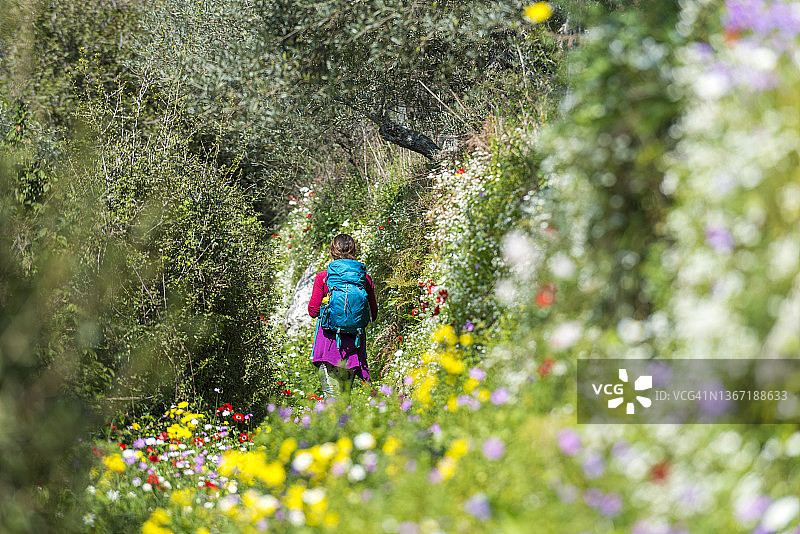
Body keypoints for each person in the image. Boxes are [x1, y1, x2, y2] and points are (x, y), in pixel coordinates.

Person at [308, 234, 378, 399]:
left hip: (328, 346)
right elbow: (373, 314)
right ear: (354, 251)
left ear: (332, 251)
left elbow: (313, 310)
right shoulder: (364, 278)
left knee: (331, 399)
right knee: (344, 399)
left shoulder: (324, 277)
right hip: (353, 347)